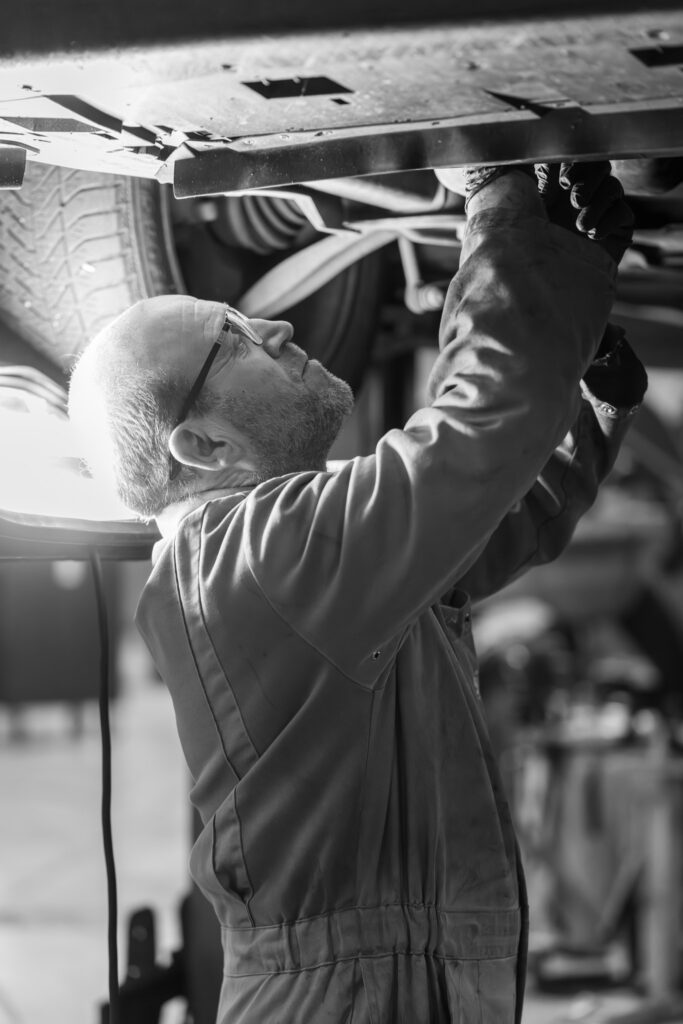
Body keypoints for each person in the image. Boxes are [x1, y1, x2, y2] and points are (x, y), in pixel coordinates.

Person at [68, 161, 647, 1023]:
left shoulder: (280, 555)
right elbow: (480, 428)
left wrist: (572, 332)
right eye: (234, 337)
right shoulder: (255, 558)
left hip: (372, 983)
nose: (276, 323)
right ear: (202, 446)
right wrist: (495, 199)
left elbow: (494, 519)